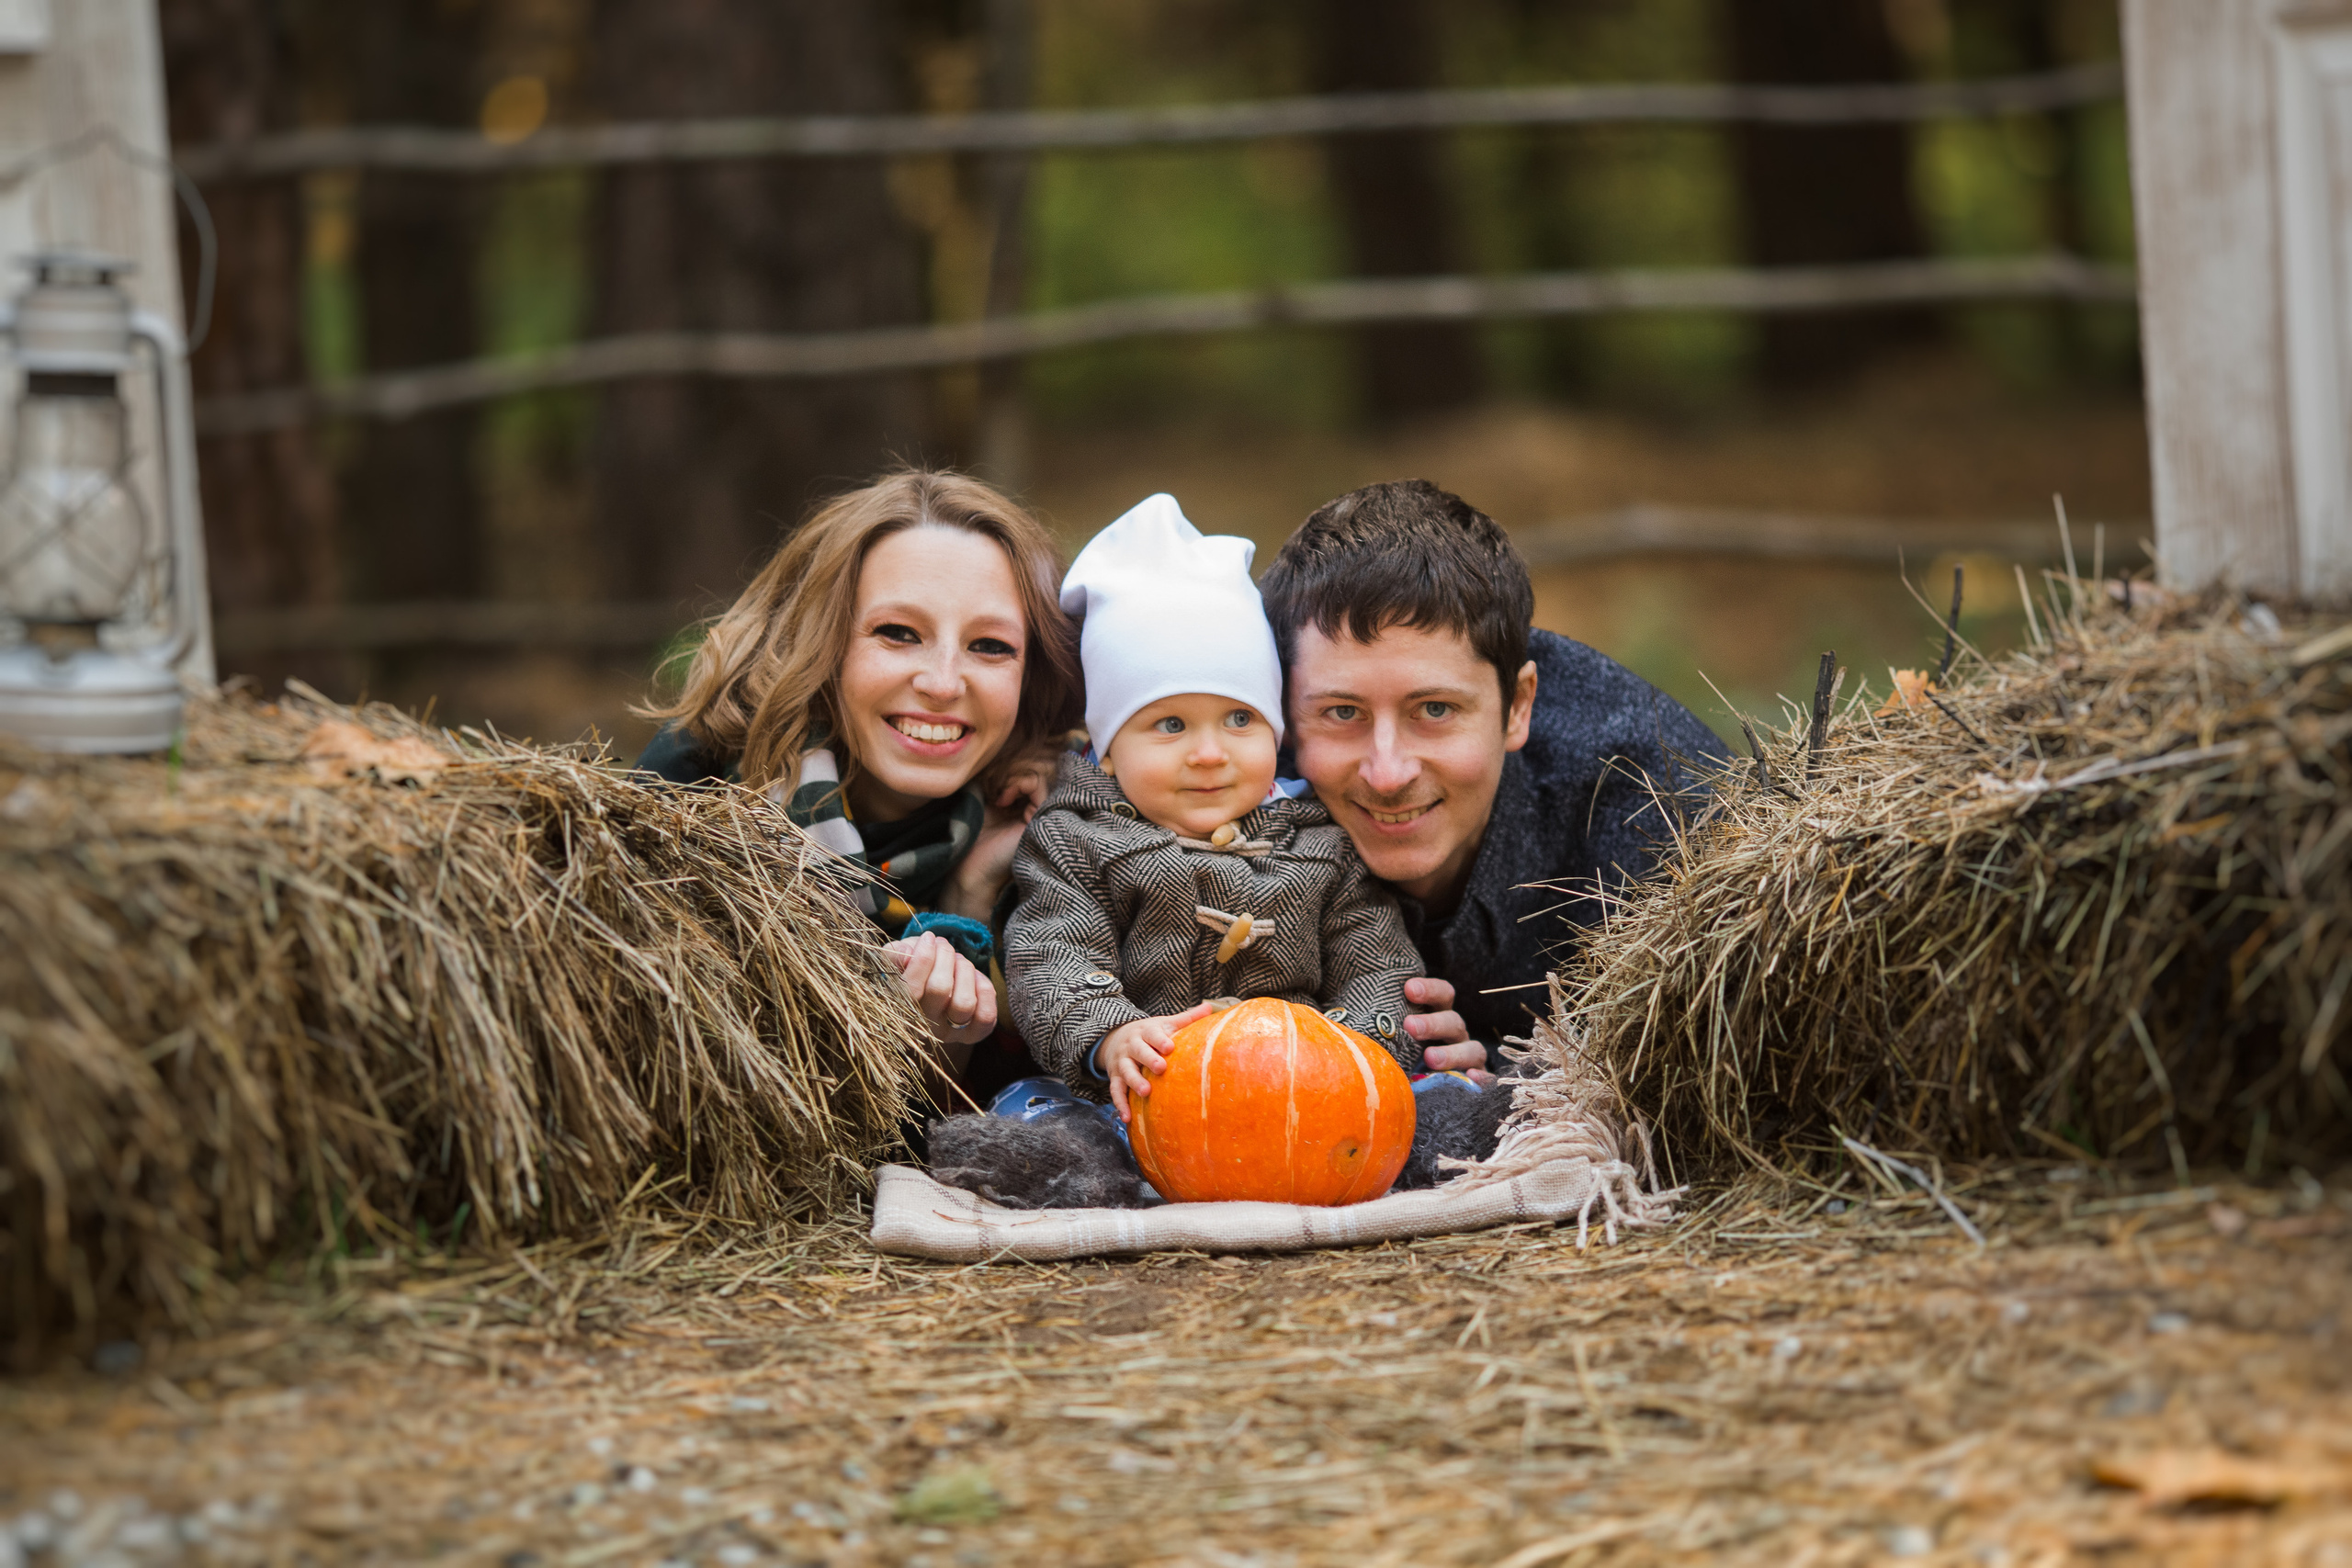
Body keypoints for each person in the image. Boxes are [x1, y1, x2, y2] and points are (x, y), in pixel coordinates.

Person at [1260, 479, 1734, 1071]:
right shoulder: (1225, 775)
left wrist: (1506, 1081)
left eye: (1434, 710)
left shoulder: (1663, 816)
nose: (1387, 773)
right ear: (1283, 709)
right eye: (1342, 712)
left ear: (1517, 707)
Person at [633, 469, 1081, 1074]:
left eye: (990, 645)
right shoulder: (695, 781)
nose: (943, 682)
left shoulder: (1052, 834)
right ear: (825, 642)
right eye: (899, 633)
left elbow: (965, 1126)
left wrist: (969, 898)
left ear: (1032, 675)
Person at [1001, 493, 1425, 1121]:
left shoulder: (1321, 843)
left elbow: (1377, 958)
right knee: (1027, 1113)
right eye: (1170, 724)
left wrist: (1355, 1048)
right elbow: (1050, 953)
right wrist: (1109, 1035)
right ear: (1108, 750)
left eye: (1239, 718)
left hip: (1300, 1096)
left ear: (1275, 731)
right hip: (1142, 1095)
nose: (1208, 753)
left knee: (1442, 1099)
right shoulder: (1076, 841)